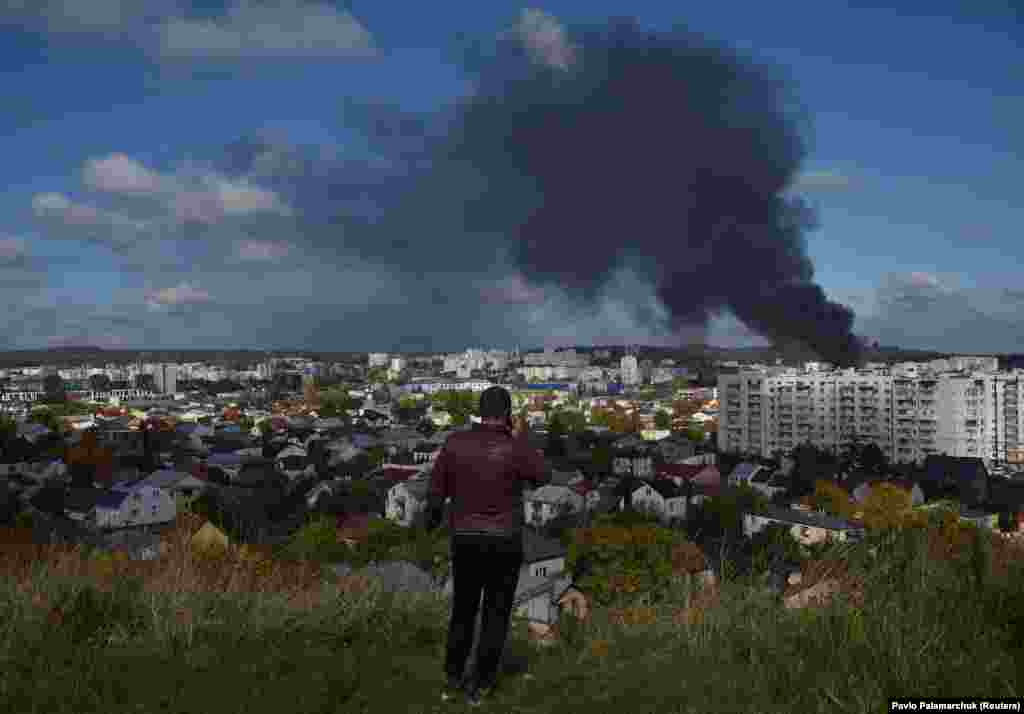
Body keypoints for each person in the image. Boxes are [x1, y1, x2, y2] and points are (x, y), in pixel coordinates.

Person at [425, 386, 550, 707]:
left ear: (480, 411)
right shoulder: (514, 446)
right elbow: (542, 476)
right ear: (507, 413)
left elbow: (436, 489)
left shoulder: (455, 443)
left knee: (463, 611)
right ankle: (480, 685)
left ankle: (453, 677)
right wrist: (520, 437)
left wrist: (432, 521)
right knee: (496, 614)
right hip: (504, 542)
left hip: (465, 539)